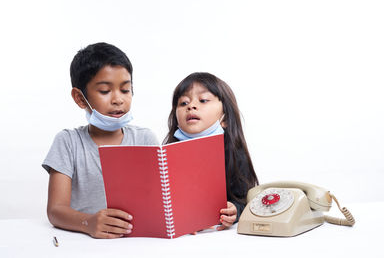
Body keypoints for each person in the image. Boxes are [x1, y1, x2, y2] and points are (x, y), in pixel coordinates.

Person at [42, 42, 158, 239]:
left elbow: (161, 200)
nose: (118, 100)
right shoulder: (68, 142)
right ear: (79, 98)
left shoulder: (145, 138)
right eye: (105, 91)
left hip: (138, 242)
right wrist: (88, 223)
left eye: (125, 90)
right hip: (86, 244)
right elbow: (55, 210)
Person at [164, 72, 259, 230]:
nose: (191, 106)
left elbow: (244, 200)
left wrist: (235, 211)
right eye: (183, 103)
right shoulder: (166, 155)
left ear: (226, 119)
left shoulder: (234, 155)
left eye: (203, 100)